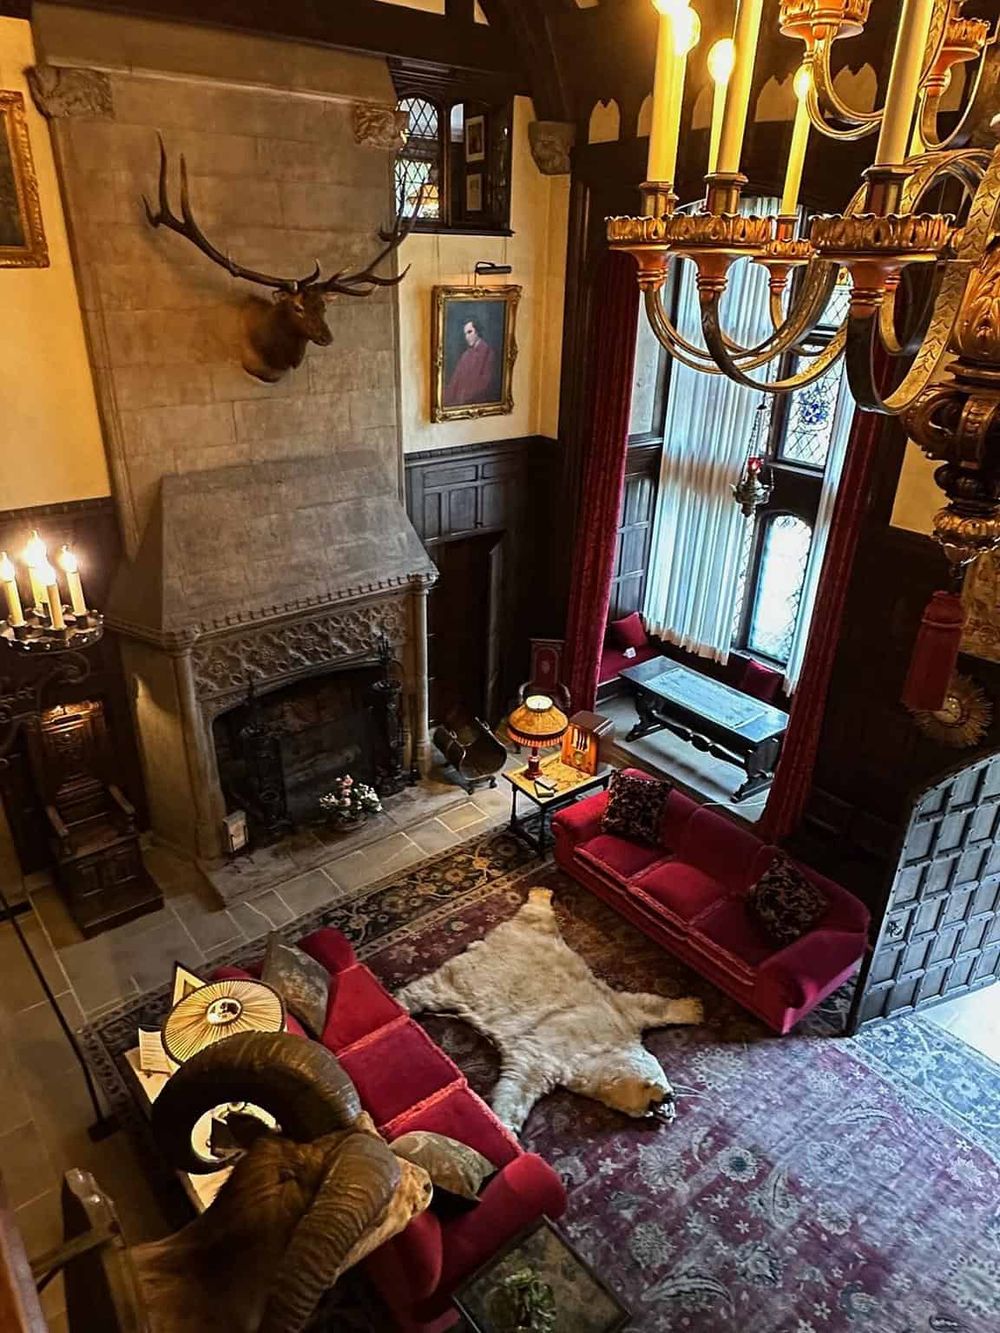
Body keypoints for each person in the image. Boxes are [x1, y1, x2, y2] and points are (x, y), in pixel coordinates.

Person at [444, 316, 497, 406]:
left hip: (474, 404)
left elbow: (485, 384)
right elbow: (455, 381)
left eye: (469, 332)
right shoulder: (465, 355)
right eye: (465, 334)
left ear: (477, 332)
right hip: (458, 403)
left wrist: (463, 397)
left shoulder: (488, 353)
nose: (467, 337)